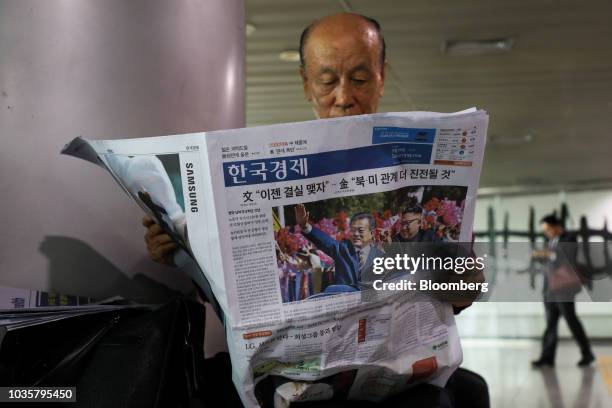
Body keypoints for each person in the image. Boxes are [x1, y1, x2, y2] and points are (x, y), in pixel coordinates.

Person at [143, 12, 488, 407]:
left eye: (359, 78)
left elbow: (462, 297)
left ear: (381, 75)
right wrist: (182, 250)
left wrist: (464, 278)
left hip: (396, 375)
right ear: (306, 83)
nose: (343, 97)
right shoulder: (275, 164)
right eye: (327, 81)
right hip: (296, 375)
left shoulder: (416, 174)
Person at [531, 214, 595, 367]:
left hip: (564, 289)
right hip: (549, 289)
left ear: (556, 226)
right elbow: (549, 260)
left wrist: (547, 254)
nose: (546, 232)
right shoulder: (550, 240)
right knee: (550, 324)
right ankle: (547, 357)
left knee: (571, 320)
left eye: (547, 229)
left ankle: (587, 353)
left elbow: (565, 256)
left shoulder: (569, 238)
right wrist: (539, 257)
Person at [295, 204, 385, 291]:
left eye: (360, 230)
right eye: (353, 230)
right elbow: (325, 242)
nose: (356, 234)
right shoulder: (343, 249)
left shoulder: (380, 256)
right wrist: (305, 226)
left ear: (372, 233)